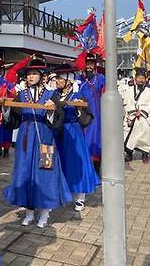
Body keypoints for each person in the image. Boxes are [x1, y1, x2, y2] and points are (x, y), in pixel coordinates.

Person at [4, 57, 72, 228]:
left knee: (44, 174)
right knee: (25, 174)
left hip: (44, 138)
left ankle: (44, 213)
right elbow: (15, 120)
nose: (30, 77)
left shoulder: (52, 95)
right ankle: (28, 212)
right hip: (26, 140)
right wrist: (6, 110)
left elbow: (58, 120)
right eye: (28, 74)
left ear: (42, 76)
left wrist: (52, 110)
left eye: (34, 73)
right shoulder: (21, 95)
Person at [53, 65, 100, 211]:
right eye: (57, 78)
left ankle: (79, 198)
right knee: (58, 163)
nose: (57, 81)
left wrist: (79, 110)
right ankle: (59, 193)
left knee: (76, 164)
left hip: (72, 132)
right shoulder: (54, 94)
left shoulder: (77, 95)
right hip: (57, 131)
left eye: (60, 78)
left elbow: (87, 118)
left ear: (68, 80)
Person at [76, 53, 105, 167]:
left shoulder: (101, 79)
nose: (88, 66)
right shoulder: (78, 80)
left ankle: (96, 170)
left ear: (95, 65)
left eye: (91, 64)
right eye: (86, 64)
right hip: (80, 115)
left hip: (96, 116)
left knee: (95, 141)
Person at [122, 67, 150, 163]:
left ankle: (145, 155)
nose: (140, 80)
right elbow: (126, 103)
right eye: (138, 78)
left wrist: (141, 112)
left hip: (143, 118)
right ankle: (129, 154)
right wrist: (133, 112)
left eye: (142, 78)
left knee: (144, 137)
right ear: (135, 78)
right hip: (131, 116)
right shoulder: (129, 90)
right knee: (127, 135)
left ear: (146, 79)